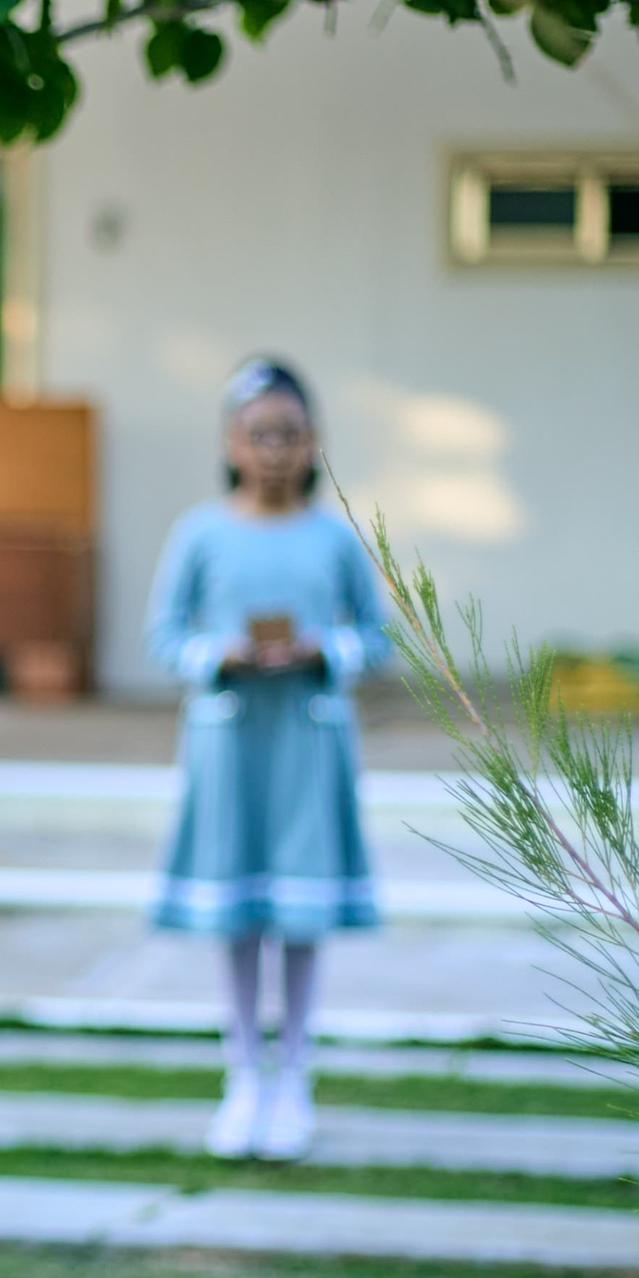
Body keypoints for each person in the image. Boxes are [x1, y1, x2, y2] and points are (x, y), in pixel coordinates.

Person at [144, 357, 388, 1161]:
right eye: (259, 435)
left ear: (313, 442)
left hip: (309, 745)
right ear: (231, 443)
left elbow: (378, 638)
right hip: (230, 744)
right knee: (240, 911)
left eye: (289, 434)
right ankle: (242, 1070)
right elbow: (164, 635)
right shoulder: (201, 533)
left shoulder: (332, 536)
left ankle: (296, 1074)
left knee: (300, 911)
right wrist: (222, 654)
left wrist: (328, 649)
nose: (275, 450)